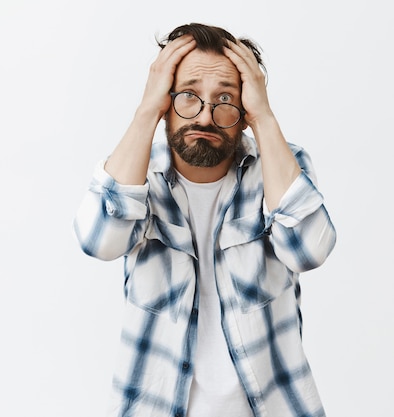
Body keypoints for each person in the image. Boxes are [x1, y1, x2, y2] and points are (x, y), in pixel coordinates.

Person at [73, 23, 336, 417]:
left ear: (245, 109)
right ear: (167, 101)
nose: (206, 116)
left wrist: (264, 117)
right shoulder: (138, 176)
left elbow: (309, 250)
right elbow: (99, 240)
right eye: (189, 96)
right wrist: (147, 110)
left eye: (225, 98)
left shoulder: (280, 167)